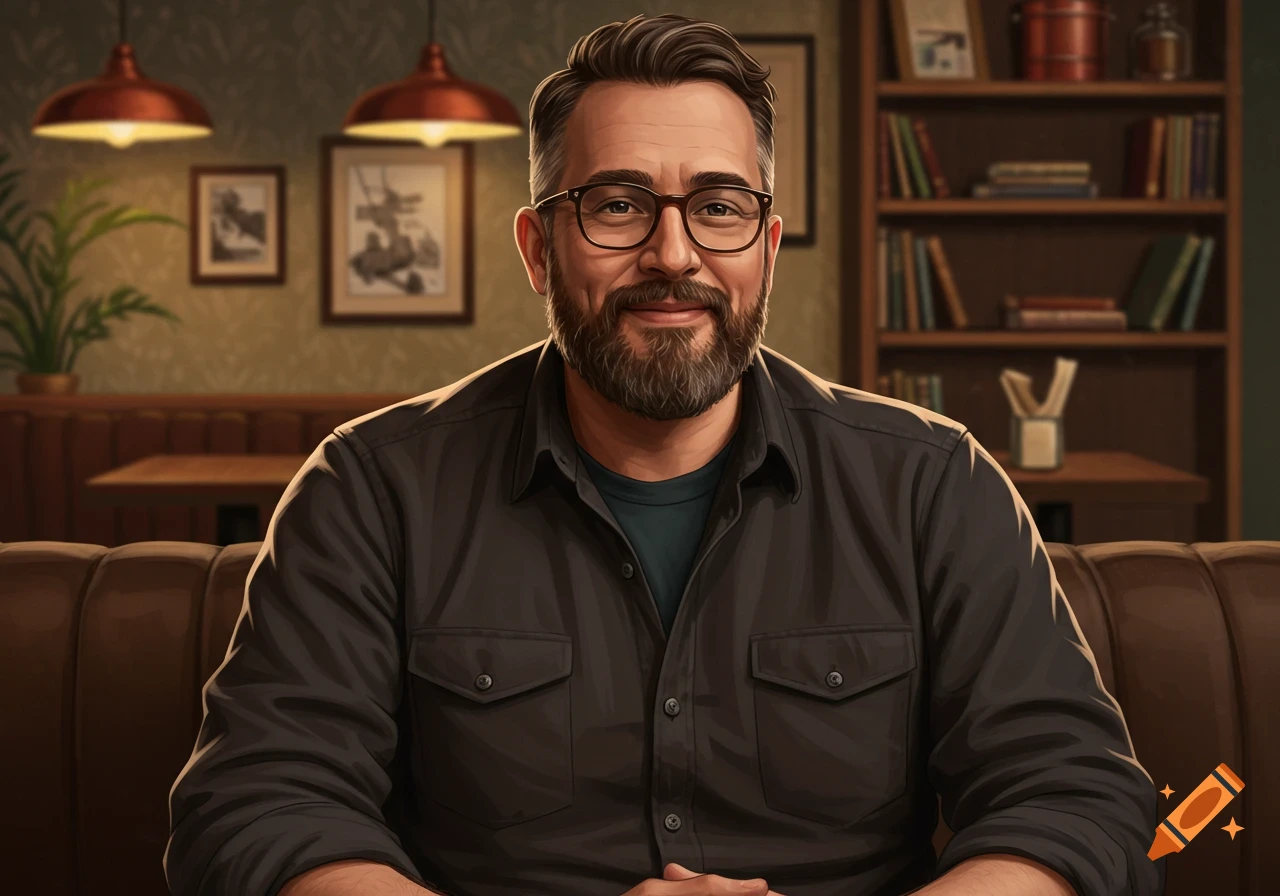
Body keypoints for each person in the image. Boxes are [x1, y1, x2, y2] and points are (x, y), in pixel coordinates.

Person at [164, 14, 1162, 896]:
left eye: (718, 205)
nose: (673, 254)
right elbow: (256, 807)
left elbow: (1074, 798)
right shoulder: (372, 488)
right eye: (616, 202)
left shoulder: (930, 482)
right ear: (536, 248)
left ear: (766, 246)